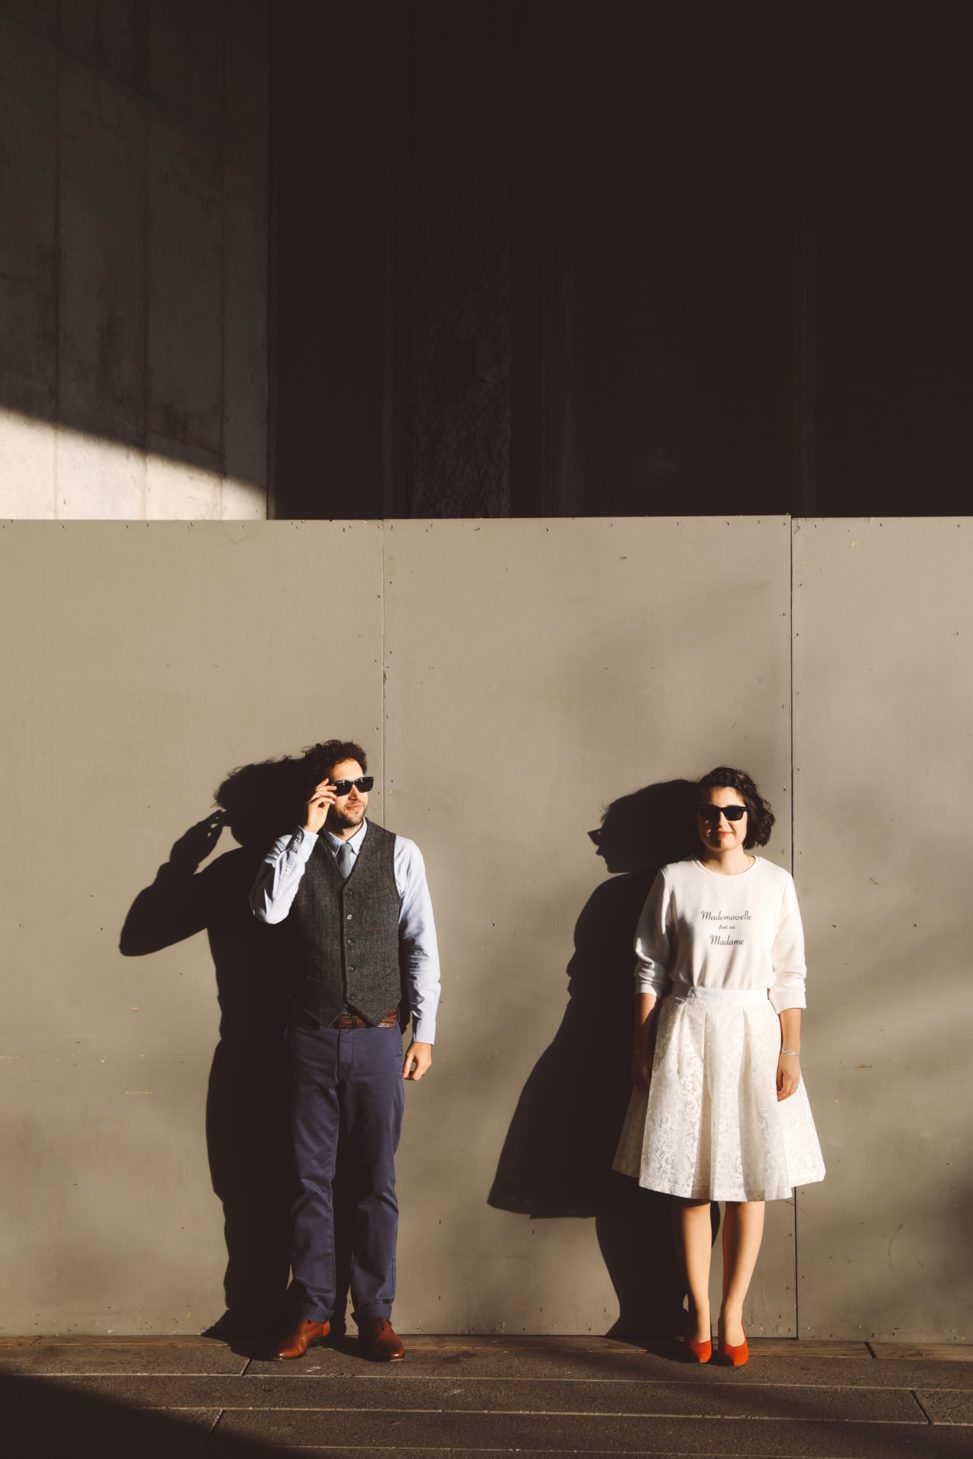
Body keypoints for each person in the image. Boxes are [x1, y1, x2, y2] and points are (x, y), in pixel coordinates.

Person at [612, 767, 824, 1366]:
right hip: (687, 1028)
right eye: (709, 813)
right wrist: (641, 1047)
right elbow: (648, 968)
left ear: (750, 817)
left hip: (754, 1033)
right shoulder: (675, 880)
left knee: (749, 1180)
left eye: (732, 812)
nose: (720, 822)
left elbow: (790, 974)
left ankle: (733, 1313)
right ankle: (698, 1313)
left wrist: (790, 1050)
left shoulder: (776, 884)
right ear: (696, 820)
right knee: (693, 1180)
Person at [250, 739, 440, 1361]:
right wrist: (304, 833)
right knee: (309, 1182)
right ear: (318, 794)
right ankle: (312, 1311)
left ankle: (375, 1316)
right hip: (306, 1038)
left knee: (374, 1183)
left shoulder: (400, 853)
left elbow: (421, 947)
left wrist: (426, 1031)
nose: (355, 794)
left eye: (362, 783)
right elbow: (270, 912)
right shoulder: (289, 851)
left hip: (380, 1039)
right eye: (339, 786)